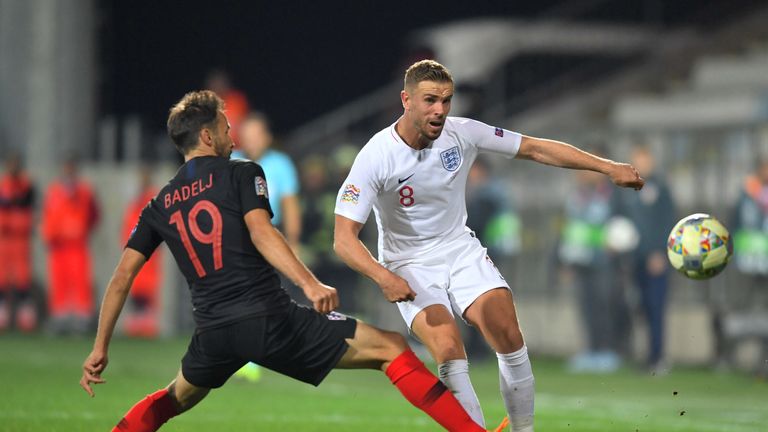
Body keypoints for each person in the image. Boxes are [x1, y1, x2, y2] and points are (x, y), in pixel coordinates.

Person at [79, 90, 487, 432]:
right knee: (391, 348)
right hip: (267, 318)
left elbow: (121, 278)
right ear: (206, 135)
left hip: (214, 331)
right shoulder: (239, 174)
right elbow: (261, 231)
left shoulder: (159, 204)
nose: (230, 133)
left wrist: (100, 347)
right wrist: (310, 284)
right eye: (224, 126)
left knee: (175, 398)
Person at [333, 60, 644, 431]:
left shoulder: (463, 132)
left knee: (507, 332)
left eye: (446, 101)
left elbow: (534, 148)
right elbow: (343, 239)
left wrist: (608, 168)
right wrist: (383, 277)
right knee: (448, 348)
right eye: (430, 100)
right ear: (406, 100)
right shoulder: (376, 155)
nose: (440, 110)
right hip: (407, 263)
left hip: (458, 249)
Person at [613, 145, 676, 374]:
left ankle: (658, 358)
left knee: (656, 308)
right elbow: (619, 222)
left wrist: (660, 252)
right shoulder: (625, 190)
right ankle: (644, 355)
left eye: (643, 160)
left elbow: (668, 221)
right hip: (634, 261)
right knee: (638, 308)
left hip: (656, 261)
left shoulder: (661, 188)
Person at [558, 166, 626, 373]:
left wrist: (618, 247)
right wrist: (565, 263)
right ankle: (591, 351)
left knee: (603, 307)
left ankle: (607, 352)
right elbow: (569, 231)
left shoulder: (612, 196)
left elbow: (622, 227)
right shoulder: (576, 197)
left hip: (603, 263)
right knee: (586, 309)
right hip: (580, 261)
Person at [41, 155, 100, 334]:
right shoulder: (54, 192)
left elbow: (94, 215)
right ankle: (60, 320)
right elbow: (47, 215)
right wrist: (50, 235)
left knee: (80, 282)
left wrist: (81, 230)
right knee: (60, 283)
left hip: (77, 245)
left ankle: (81, 321)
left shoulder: (84, 192)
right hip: (59, 246)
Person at [120, 167, 162, 338]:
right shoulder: (136, 202)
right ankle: (138, 326)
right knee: (136, 290)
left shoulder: (151, 200)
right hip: (136, 255)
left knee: (146, 293)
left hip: (148, 258)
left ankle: (144, 327)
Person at [0, 153, 36, 331]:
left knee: (23, 276)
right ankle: (3, 314)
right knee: (2, 276)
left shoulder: (26, 186)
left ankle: (25, 315)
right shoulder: (3, 186)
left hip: (21, 237)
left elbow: (28, 207)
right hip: (4, 236)